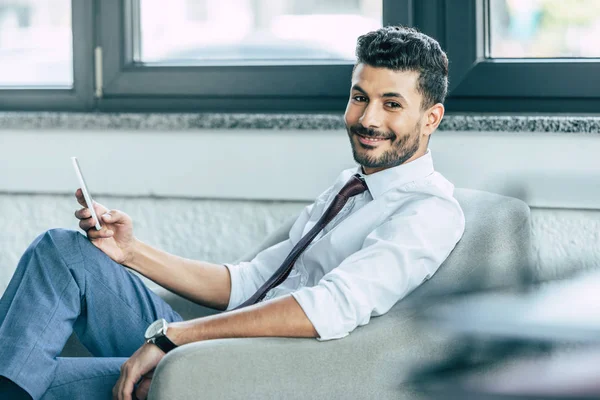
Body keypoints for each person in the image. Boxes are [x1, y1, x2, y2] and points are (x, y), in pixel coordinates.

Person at [0, 25, 465, 400]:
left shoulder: (427, 211)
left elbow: (329, 309)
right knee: (59, 250)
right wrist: (131, 252)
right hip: (216, 342)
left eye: (392, 104)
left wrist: (175, 339)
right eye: (360, 96)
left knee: (24, 374)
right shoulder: (351, 186)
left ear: (431, 118)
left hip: (250, 369)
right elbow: (249, 282)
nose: (368, 119)